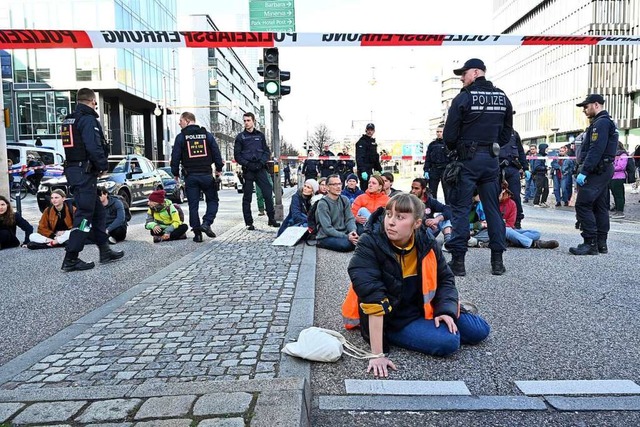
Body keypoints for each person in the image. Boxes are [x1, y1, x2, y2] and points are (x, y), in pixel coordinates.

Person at [348, 193, 490, 376]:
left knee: (480, 330)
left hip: (422, 307)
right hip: (393, 318)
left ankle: (437, 319)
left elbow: (445, 279)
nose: (390, 222)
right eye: (389, 214)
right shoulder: (369, 243)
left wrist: (445, 310)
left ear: (416, 223)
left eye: (400, 217)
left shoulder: (426, 241)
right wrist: (377, 354)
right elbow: (372, 296)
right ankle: (401, 333)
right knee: (449, 342)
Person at [443, 58, 513, 276]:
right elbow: (506, 132)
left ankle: (458, 262)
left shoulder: (463, 98)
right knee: (493, 209)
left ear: (475, 72)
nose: (462, 79)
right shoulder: (503, 97)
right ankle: (497, 262)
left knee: (461, 209)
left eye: (464, 74)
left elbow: (449, 135)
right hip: (491, 160)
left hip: (467, 160)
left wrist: (458, 149)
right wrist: (492, 146)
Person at [59, 88, 123, 272]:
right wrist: (102, 165)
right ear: (93, 101)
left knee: (98, 213)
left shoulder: (68, 120)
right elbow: (93, 145)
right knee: (85, 216)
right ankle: (71, 257)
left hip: (75, 171)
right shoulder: (87, 120)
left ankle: (104, 250)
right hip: (84, 173)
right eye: (95, 103)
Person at [570, 94, 618, 256]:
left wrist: (584, 171)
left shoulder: (601, 123)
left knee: (583, 204)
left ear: (596, 105)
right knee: (600, 205)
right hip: (602, 169)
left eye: (586, 106)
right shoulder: (604, 122)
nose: (584, 110)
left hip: (597, 170)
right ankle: (600, 243)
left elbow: (595, 149)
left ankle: (590, 242)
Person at [171, 111, 223, 242]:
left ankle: (197, 234)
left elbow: (175, 157)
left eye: (181, 121)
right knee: (212, 200)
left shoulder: (181, 137)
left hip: (191, 176)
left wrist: (175, 173)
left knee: (193, 205)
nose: (179, 123)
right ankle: (206, 223)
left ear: (188, 121)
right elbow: (216, 153)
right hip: (206, 174)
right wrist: (218, 169)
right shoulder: (206, 135)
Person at [234, 112, 280, 230]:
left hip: (260, 169)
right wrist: (248, 164)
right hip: (248, 170)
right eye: (244, 121)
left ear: (253, 121)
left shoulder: (260, 136)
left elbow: (266, 151)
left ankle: (271, 219)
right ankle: (249, 222)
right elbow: (237, 155)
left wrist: (261, 163)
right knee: (247, 197)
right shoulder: (240, 137)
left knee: (268, 193)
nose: (246, 123)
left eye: (248, 120)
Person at [315, 174, 359, 252]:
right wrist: (346, 236)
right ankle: (321, 243)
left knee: (362, 234)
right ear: (327, 187)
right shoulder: (323, 203)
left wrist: (353, 231)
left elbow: (350, 218)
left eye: (339, 184)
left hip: (343, 232)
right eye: (335, 184)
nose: (338, 187)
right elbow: (327, 228)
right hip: (326, 236)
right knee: (346, 245)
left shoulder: (344, 199)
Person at [499, 123, 528, 228]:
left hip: (512, 168)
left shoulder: (514, 134)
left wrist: (526, 168)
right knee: (495, 195)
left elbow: (520, 151)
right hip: (496, 167)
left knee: (515, 195)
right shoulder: (493, 131)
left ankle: (517, 220)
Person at [409, 178, 453, 246]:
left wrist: (436, 219)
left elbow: (448, 209)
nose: (413, 191)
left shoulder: (430, 201)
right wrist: (426, 222)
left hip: (431, 228)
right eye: (412, 188)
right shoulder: (409, 200)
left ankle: (448, 242)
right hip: (416, 230)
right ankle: (429, 243)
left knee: (443, 216)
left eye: (416, 188)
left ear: (423, 190)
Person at [423, 124, 450, 202]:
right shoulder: (432, 145)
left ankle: (448, 211)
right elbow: (428, 158)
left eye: (440, 132)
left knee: (448, 193)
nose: (438, 133)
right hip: (434, 170)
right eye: (437, 132)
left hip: (446, 170)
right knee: (432, 192)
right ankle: (431, 210)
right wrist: (426, 170)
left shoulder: (449, 144)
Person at [355, 123, 382, 192]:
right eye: (368, 130)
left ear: (374, 131)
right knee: (365, 190)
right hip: (364, 170)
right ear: (366, 130)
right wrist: (363, 170)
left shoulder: (373, 143)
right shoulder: (361, 142)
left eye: (371, 130)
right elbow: (359, 158)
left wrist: (379, 169)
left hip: (371, 169)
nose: (370, 132)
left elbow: (375, 157)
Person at [609, 141, 628, 219]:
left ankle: (620, 211)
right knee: (615, 194)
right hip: (612, 177)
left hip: (619, 177)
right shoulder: (614, 155)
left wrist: (611, 168)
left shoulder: (623, 155)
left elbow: (621, 166)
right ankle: (617, 209)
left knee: (619, 195)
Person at [532, 143, 550, 208]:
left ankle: (543, 201)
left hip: (543, 175)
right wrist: (545, 168)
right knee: (539, 189)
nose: (547, 150)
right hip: (539, 175)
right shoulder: (539, 157)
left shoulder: (543, 156)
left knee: (546, 189)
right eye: (546, 149)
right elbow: (536, 167)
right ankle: (536, 202)